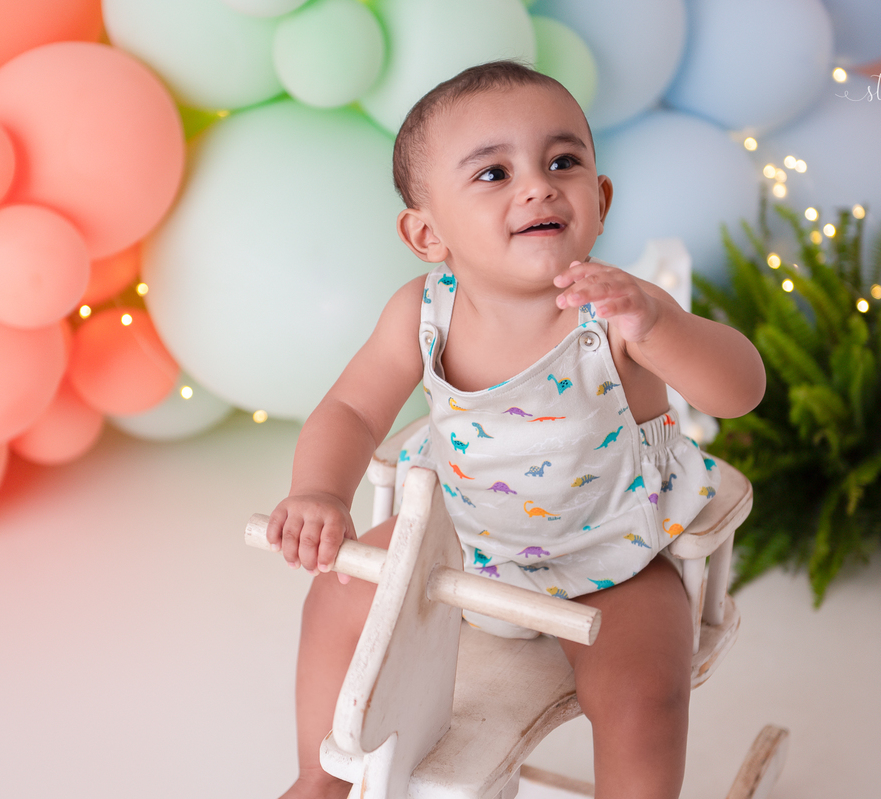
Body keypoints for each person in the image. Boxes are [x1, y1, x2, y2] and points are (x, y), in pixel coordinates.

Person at [265, 61, 765, 799]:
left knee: (644, 689)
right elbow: (353, 410)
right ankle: (323, 773)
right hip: (460, 537)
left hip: (611, 548)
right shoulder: (421, 313)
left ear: (600, 200)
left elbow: (740, 390)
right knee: (338, 595)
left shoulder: (618, 310)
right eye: (493, 173)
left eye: (562, 162)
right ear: (428, 233)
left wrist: (659, 325)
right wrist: (320, 491)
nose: (538, 186)